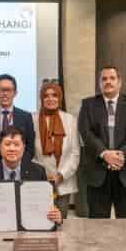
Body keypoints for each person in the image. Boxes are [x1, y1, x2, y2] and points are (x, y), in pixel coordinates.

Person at [77, 65, 126, 218]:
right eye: (104, 79)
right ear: (99, 83)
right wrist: (104, 153)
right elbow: (86, 132)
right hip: (98, 173)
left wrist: (120, 155)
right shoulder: (88, 104)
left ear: (119, 82)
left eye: (112, 78)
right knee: (98, 223)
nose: (108, 82)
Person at [0, 126, 63, 225]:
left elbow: (52, 207)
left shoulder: (38, 172)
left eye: (16, 144)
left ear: (23, 147)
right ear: (0, 148)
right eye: (7, 144)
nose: (12, 149)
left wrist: (57, 217)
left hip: (30, 228)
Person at [32, 81, 80, 218]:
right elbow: (28, 152)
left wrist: (60, 175)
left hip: (64, 181)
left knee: (61, 222)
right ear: (41, 99)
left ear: (60, 98)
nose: (50, 99)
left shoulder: (70, 120)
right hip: (39, 181)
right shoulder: (32, 119)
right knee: (38, 221)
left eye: (54, 95)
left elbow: (75, 153)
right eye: (46, 96)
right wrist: (42, 175)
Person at [0, 74, 36, 166]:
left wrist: (17, 166)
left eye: (9, 90)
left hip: (19, 170)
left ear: (15, 93)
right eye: (2, 90)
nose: (5, 94)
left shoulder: (26, 117)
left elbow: (30, 148)